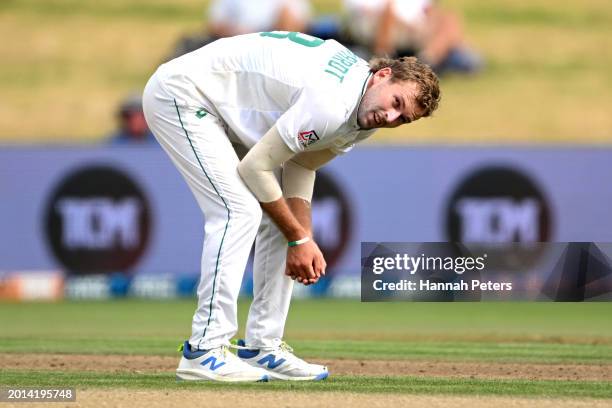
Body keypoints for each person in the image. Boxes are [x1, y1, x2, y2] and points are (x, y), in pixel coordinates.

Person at [142, 31, 440, 383]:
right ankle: (204, 350)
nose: (390, 118)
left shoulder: (364, 111)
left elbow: (301, 165)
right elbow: (254, 168)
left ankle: (262, 346)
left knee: (278, 219)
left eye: (402, 119)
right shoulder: (333, 103)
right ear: (383, 74)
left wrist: (302, 236)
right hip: (183, 94)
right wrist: (300, 240)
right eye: (396, 103)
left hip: (226, 108)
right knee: (239, 212)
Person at [343, 0, 482, 75]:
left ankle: (426, 61)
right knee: (388, 14)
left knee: (450, 19)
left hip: (413, 31)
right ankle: (384, 60)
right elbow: (364, 14)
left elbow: (429, 12)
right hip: (379, 27)